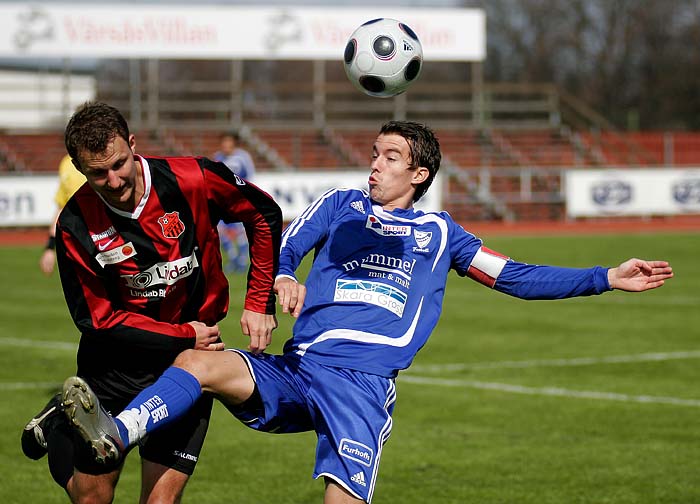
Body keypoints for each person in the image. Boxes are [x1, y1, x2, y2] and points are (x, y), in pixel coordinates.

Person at [60, 121, 673, 504]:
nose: (374, 163)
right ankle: (114, 434)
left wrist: (604, 278)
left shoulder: (442, 234)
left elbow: (513, 275)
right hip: (297, 370)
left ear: (419, 172)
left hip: (360, 385)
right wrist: (281, 279)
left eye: (389, 156)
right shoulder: (342, 205)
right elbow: (286, 243)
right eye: (374, 153)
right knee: (199, 360)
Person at [20, 101, 282, 504]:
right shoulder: (75, 225)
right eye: (97, 173)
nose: (113, 180)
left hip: (190, 365)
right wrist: (183, 333)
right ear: (78, 167)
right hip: (115, 366)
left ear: (132, 144)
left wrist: (259, 300)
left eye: (119, 164)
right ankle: (61, 424)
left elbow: (263, 214)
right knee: (93, 498)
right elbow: (97, 320)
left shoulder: (193, 178)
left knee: (159, 502)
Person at [213, 131, 256, 272]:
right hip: (222, 201)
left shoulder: (243, 157)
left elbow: (250, 176)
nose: (226, 146)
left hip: (239, 200)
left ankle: (243, 260)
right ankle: (232, 258)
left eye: (228, 142)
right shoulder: (218, 158)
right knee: (221, 230)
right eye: (223, 143)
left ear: (234, 143)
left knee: (241, 231)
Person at [39, 153, 86, 275]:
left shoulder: (103, 158)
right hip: (77, 245)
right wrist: (50, 247)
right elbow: (62, 208)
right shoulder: (66, 163)